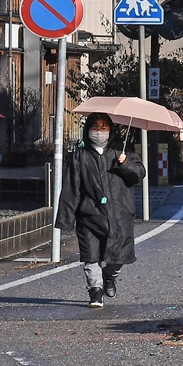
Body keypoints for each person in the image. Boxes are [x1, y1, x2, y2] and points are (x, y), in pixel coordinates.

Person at [55, 113, 146, 308]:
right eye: (95, 128)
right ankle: (95, 291)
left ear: (110, 130)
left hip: (119, 215)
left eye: (104, 128)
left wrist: (125, 164)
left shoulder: (121, 152)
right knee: (90, 255)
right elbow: (72, 188)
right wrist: (65, 219)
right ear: (87, 130)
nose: (99, 132)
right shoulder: (80, 156)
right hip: (89, 215)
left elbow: (138, 175)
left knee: (118, 255)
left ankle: (110, 276)